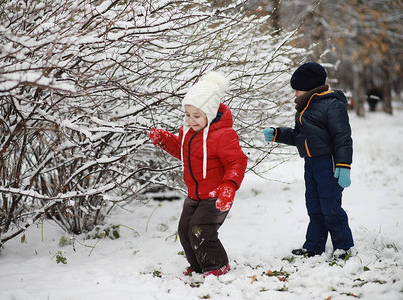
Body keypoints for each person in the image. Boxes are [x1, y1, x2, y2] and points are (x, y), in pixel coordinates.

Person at [149, 72, 248, 277]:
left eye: (197, 116)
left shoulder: (223, 135)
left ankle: (217, 266)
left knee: (200, 229)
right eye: (187, 114)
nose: (191, 120)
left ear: (209, 114)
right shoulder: (187, 131)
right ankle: (198, 267)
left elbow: (236, 161)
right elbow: (183, 152)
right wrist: (166, 140)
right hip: (194, 194)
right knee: (185, 231)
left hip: (217, 195)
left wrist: (229, 185)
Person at [263, 62, 354, 259]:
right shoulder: (305, 109)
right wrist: (278, 134)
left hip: (328, 164)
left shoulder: (332, 105)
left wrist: (344, 165)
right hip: (311, 163)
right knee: (313, 205)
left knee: (330, 206)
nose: (295, 94)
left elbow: (343, 137)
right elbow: (299, 137)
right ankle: (314, 245)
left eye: (297, 89)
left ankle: (343, 247)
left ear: (310, 88)